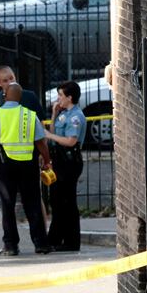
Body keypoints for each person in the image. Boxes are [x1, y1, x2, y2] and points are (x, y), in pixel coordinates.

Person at [0, 83, 52, 256]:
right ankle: (41, 244)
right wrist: (47, 161)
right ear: (20, 97)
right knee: (33, 204)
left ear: (5, 95)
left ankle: (10, 245)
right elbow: (41, 142)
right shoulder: (30, 116)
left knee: (8, 206)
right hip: (28, 164)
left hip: (4, 165)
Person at [44, 81, 86, 252]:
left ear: (69, 97)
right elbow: (55, 131)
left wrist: (49, 136)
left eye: (61, 95)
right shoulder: (64, 113)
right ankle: (54, 238)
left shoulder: (76, 116)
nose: (58, 98)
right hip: (59, 161)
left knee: (67, 202)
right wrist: (54, 115)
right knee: (56, 200)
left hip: (69, 162)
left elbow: (71, 141)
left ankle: (71, 241)